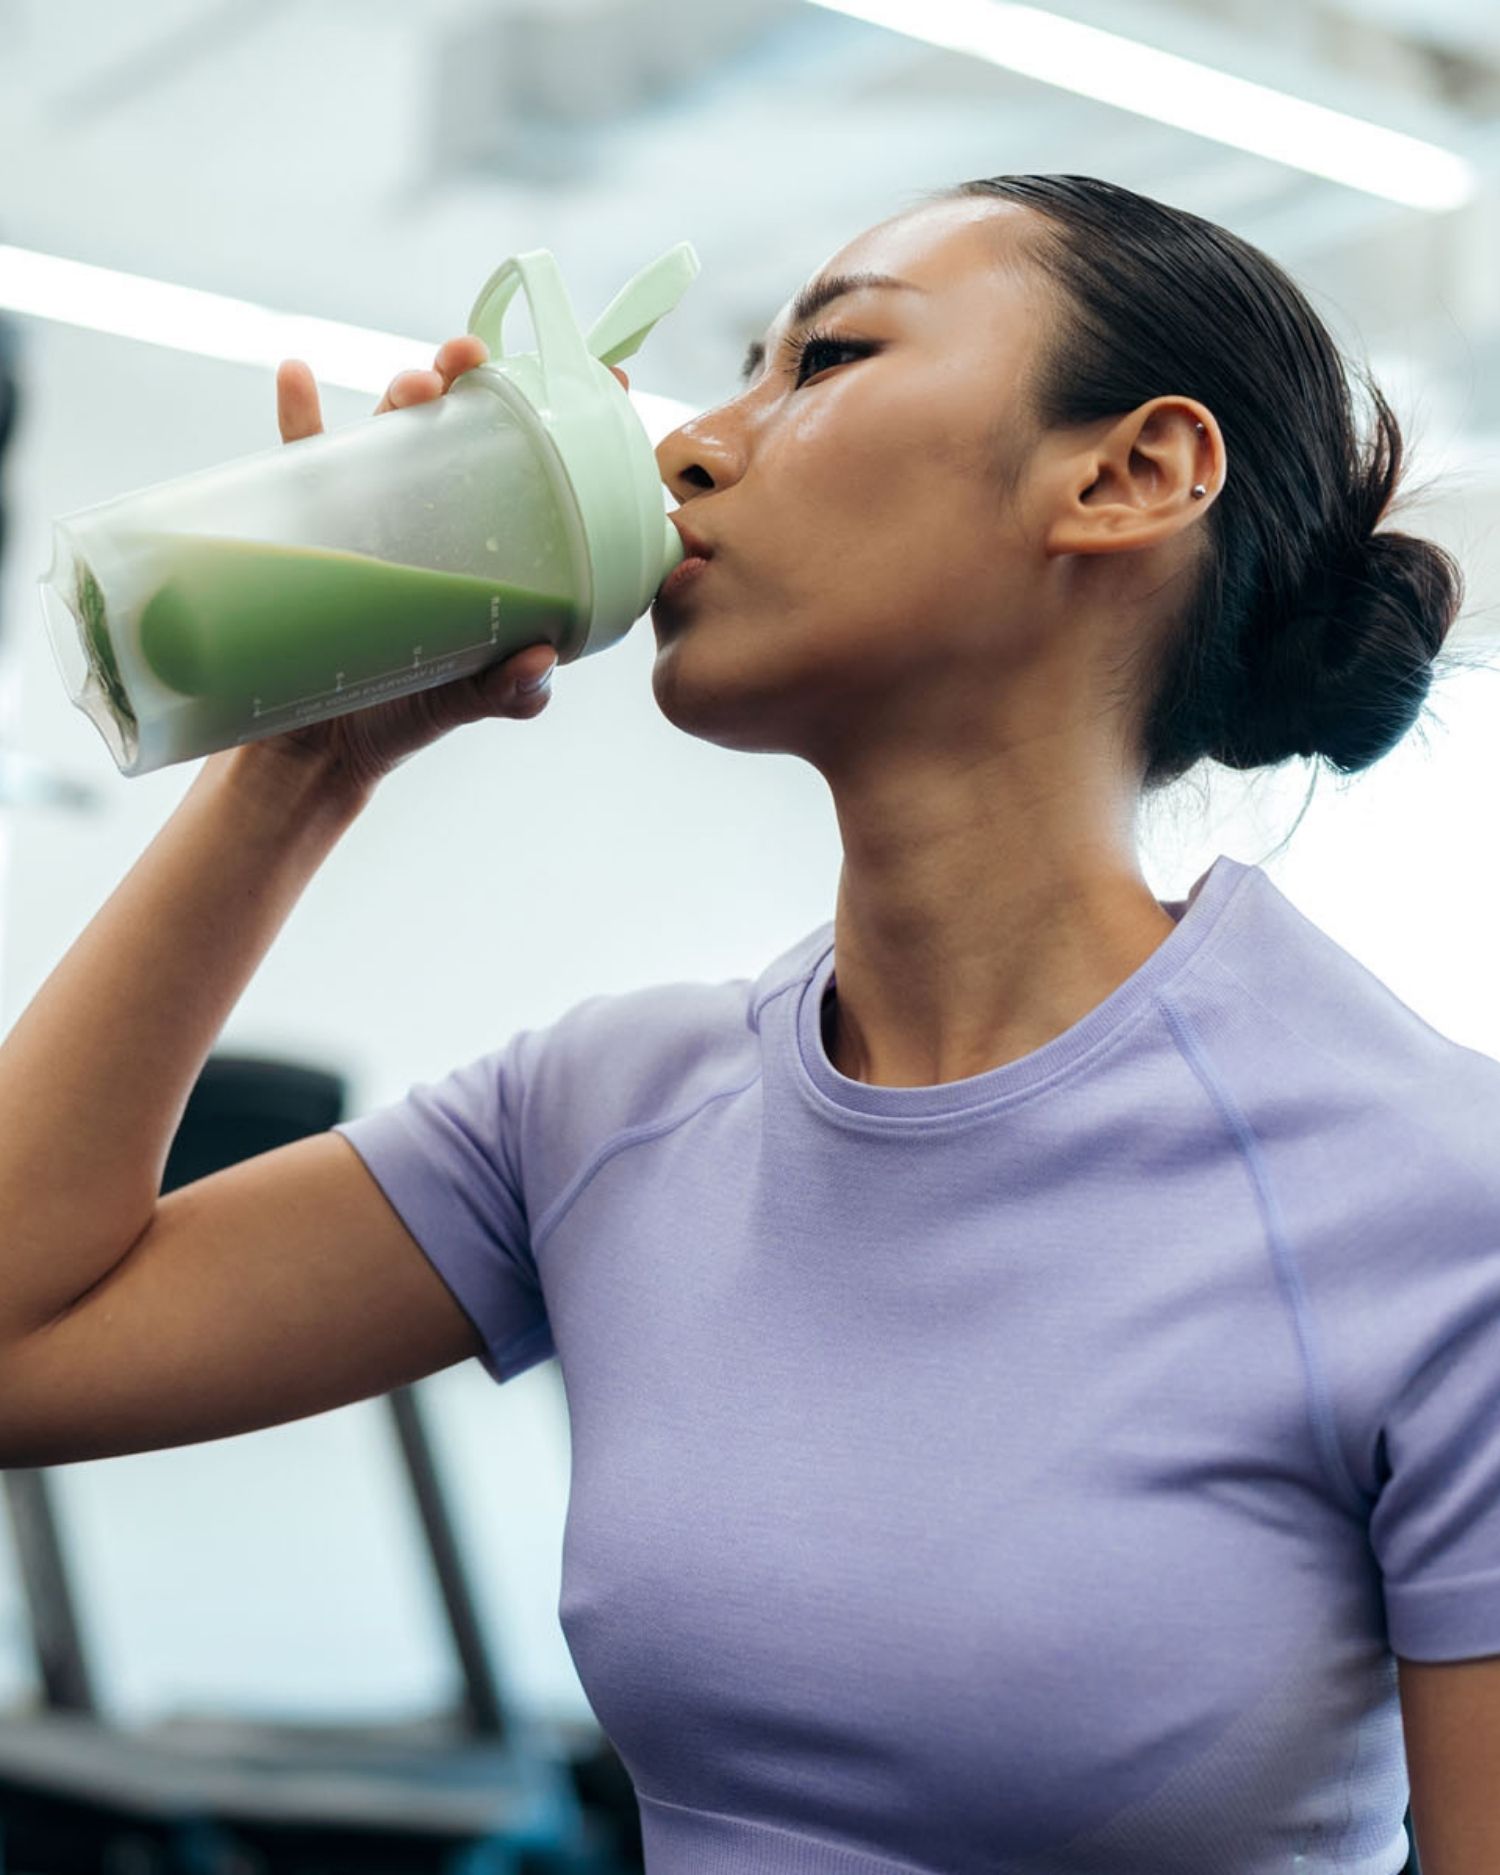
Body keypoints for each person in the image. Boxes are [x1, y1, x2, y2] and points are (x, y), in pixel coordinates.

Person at [0, 175, 1493, 1872]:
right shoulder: (604, 1111)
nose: (694, 449)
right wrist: (301, 760)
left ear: (1129, 474)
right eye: (740, 373)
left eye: (827, 358)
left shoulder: (1433, 1200)